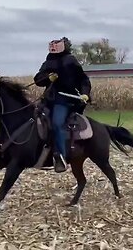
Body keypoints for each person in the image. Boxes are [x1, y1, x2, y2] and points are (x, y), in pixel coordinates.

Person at [33, 37, 91, 173]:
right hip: (48, 100)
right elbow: (37, 79)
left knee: (57, 123)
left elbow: (83, 79)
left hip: (65, 101)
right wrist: (48, 78)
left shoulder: (71, 61)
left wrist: (85, 94)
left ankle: (61, 157)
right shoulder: (48, 62)